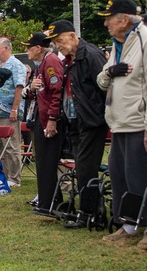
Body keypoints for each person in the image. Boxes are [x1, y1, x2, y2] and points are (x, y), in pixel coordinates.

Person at [96, 0, 147, 246]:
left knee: (141, 177)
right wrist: (108, 72)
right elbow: (101, 80)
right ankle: (128, 225)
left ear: (123, 19)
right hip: (118, 122)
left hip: (140, 123)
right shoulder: (118, 44)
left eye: (109, 18)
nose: (106, 23)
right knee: (120, 176)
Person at [45, 19, 109, 229]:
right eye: (55, 43)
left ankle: (90, 213)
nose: (58, 46)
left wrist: (99, 115)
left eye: (60, 41)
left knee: (86, 168)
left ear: (73, 36)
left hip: (91, 121)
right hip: (74, 121)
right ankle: (87, 209)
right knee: (81, 167)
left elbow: (105, 88)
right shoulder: (68, 60)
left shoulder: (90, 55)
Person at [22, 32, 62, 215]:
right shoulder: (40, 64)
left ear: (39, 48)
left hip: (47, 119)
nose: (26, 51)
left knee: (47, 161)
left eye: (29, 47)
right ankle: (48, 200)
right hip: (39, 116)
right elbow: (38, 92)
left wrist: (52, 119)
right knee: (43, 161)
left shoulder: (51, 61)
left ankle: (49, 203)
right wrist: (31, 88)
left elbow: (56, 92)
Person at [0, 37, 27, 187]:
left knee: (11, 146)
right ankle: (3, 175)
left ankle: (14, 178)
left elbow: (19, 88)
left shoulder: (16, 65)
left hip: (9, 111)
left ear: (6, 48)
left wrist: (15, 109)